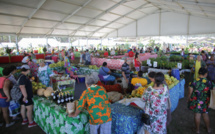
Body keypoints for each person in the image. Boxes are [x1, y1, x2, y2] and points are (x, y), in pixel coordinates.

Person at [188, 67, 215, 133]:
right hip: (206, 101)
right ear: (206, 74)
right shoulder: (210, 83)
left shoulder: (193, 82)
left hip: (196, 101)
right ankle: (208, 129)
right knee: (205, 114)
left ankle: (197, 130)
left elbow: (190, 92)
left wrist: (188, 99)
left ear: (198, 73)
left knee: (197, 115)